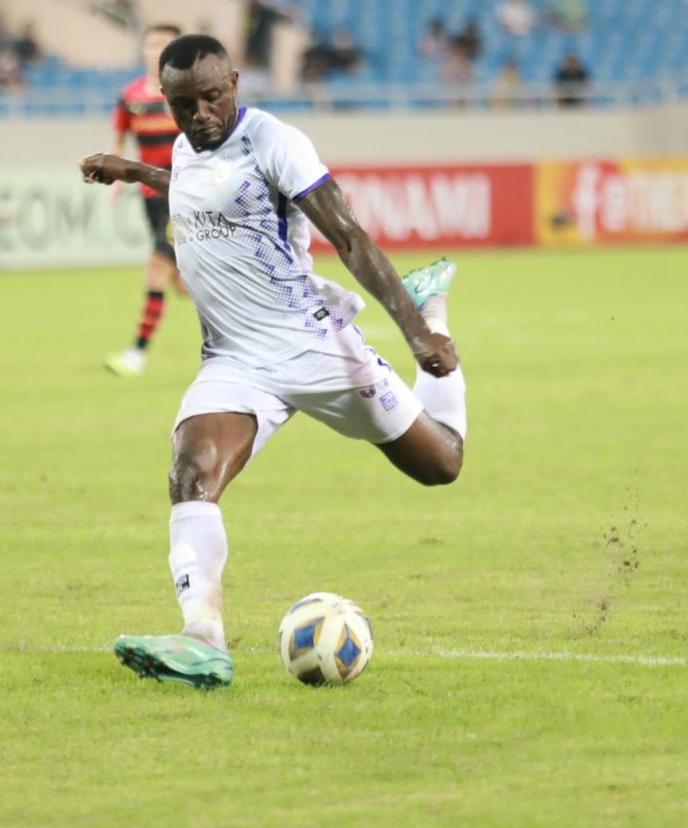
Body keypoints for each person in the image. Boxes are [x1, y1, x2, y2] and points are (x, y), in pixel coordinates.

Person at [77, 34, 467, 689]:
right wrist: (138, 172)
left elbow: (348, 236)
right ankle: (202, 641)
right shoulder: (184, 146)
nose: (199, 113)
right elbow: (207, 188)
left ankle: (434, 311)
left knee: (442, 464)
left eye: (211, 96)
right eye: (183, 103)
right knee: (190, 473)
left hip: (309, 345)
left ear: (234, 82)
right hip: (233, 360)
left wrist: (415, 333)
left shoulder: (276, 141)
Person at [104, 24, 184, 377]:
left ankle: (136, 354)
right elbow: (119, 138)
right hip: (150, 197)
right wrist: (114, 178)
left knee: (156, 265)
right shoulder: (131, 94)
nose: (154, 51)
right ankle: (250, 329)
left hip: (184, 197)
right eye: (150, 44)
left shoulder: (187, 92)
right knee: (184, 284)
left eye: (163, 45)